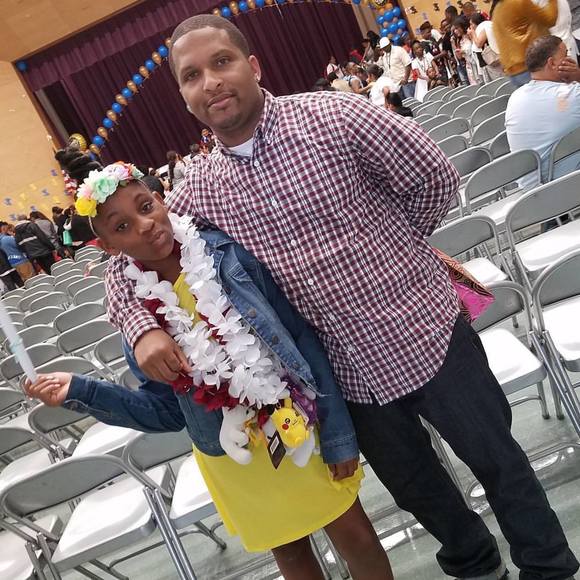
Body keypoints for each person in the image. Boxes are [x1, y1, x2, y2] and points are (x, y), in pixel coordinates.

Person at [75, 14, 579, 580]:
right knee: (419, 491)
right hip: (344, 373)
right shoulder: (200, 189)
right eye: (192, 76)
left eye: (222, 62)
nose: (210, 82)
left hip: (426, 329)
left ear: (253, 65)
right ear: (185, 98)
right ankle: (478, 569)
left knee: (499, 461)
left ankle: (548, 567)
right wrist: (141, 327)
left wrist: (397, 253)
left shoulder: (335, 116)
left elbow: (433, 177)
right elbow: (129, 258)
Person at [25, 160, 394, 580]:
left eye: (146, 207)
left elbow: (301, 340)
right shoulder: (143, 327)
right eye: (122, 227)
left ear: (161, 199)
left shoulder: (227, 258)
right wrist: (82, 391)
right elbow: (167, 413)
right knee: (292, 557)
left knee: (356, 537)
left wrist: (338, 431)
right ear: (110, 248)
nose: (144, 225)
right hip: (235, 459)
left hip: (297, 426)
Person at [505, 35, 580, 180]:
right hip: (569, 184)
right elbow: (564, 105)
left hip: (534, 191)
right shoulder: (572, 94)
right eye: (566, 55)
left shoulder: (514, 99)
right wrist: (578, 75)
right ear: (552, 63)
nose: (570, 59)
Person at [492, 0, 558, 86]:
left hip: (514, 72)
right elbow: (550, 20)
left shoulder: (496, 11)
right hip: (533, 66)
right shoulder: (520, 2)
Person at [470, 13, 505, 81]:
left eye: (471, 24)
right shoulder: (486, 27)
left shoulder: (484, 28)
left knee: (499, 80)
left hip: (494, 60)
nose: (470, 27)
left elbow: (479, 44)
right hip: (492, 61)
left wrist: (473, 33)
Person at [452, 17, 476, 84]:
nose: (455, 31)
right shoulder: (460, 41)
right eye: (454, 29)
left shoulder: (469, 35)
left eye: (457, 28)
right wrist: (454, 44)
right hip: (469, 65)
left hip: (475, 62)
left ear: (462, 26)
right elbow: (459, 57)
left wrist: (463, 51)